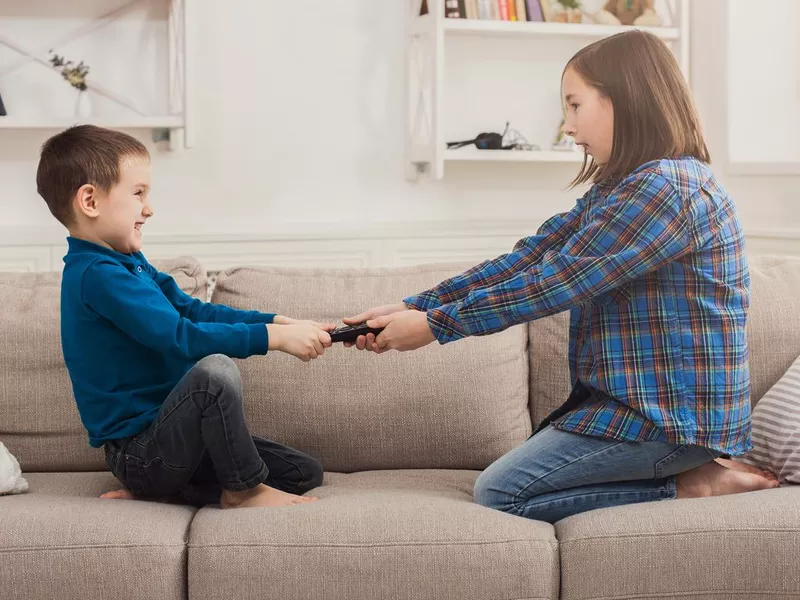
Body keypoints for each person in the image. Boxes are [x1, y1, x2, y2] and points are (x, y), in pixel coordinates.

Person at [343, 31, 779, 523]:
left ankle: (689, 485)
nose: (567, 127)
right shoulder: (623, 186)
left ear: (626, 97)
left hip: (669, 421)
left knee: (502, 493)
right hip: (633, 411)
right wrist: (415, 306)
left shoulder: (667, 190)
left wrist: (435, 326)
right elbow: (533, 256)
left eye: (574, 105)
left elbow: (556, 281)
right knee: (509, 483)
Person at [37, 125, 331, 509]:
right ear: (90, 201)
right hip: (142, 453)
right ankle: (242, 491)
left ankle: (169, 493)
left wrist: (277, 321)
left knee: (303, 473)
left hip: (178, 445)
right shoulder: (97, 276)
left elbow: (193, 309)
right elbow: (180, 335)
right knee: (213, 375)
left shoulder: (127, 263)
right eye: (138, 193)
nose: (149, 208)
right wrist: (271, 339)